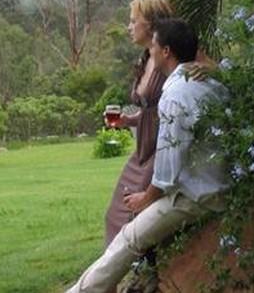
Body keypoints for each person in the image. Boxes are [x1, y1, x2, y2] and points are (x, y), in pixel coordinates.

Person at [66, 18, 229, 293]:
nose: (150, 51)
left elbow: (168, 165)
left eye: (153, 45)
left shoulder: (176, 94)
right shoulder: (211, 85)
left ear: (166, 51)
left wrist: (147, 197)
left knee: (129, 238)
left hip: (198, 196)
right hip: (217, 183)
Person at [103, 0, 174, 246]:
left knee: (134, 217)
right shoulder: (144, 59)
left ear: (152, 24)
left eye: (134, 21)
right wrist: (127, 120)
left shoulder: (169, 55)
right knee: (114, 216)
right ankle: (113, 281)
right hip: (141, 153)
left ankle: (140, 273)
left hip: (161, 149)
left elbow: (207, 67)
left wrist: (205, 69)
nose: (129, 27)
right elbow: (148, 111)